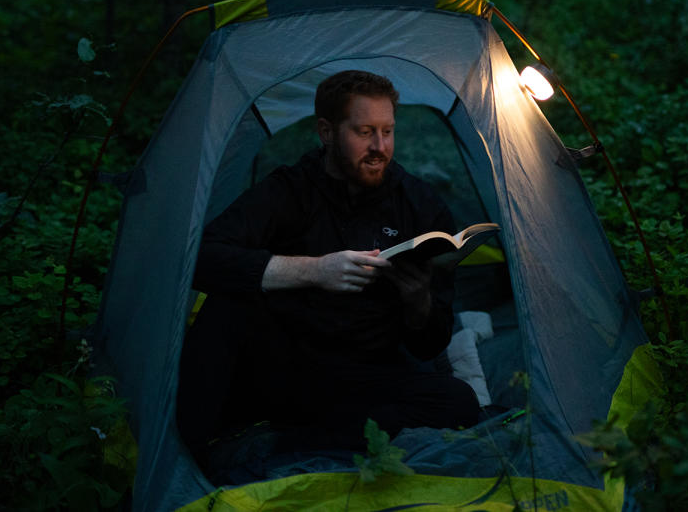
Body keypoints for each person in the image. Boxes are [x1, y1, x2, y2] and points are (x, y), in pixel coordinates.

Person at [177, 70, 479, 466]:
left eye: (388, 131)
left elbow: (429, 345)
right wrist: (314, 270)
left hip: (367, 373)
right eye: (364, 131)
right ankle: (186, 458)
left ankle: (310, 434)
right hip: (286, 364)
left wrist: (418, 301)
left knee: (458, 402)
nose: (379, 147)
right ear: (326, 132)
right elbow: (202, 257)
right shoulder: (288, 191)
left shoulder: (419, 204)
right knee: (226, 305)